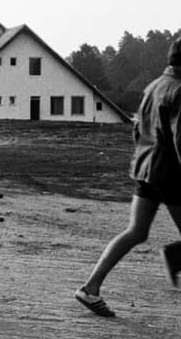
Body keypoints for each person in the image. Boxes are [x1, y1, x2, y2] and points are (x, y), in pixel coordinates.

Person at [75, 36, 181, 317]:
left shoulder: (154, 86)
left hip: (145, 169)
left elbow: (137, 130)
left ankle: (90, 287)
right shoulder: (179, 91)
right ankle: (175, 256)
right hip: (170, 173)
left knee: (136, 232)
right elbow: (180, 139)